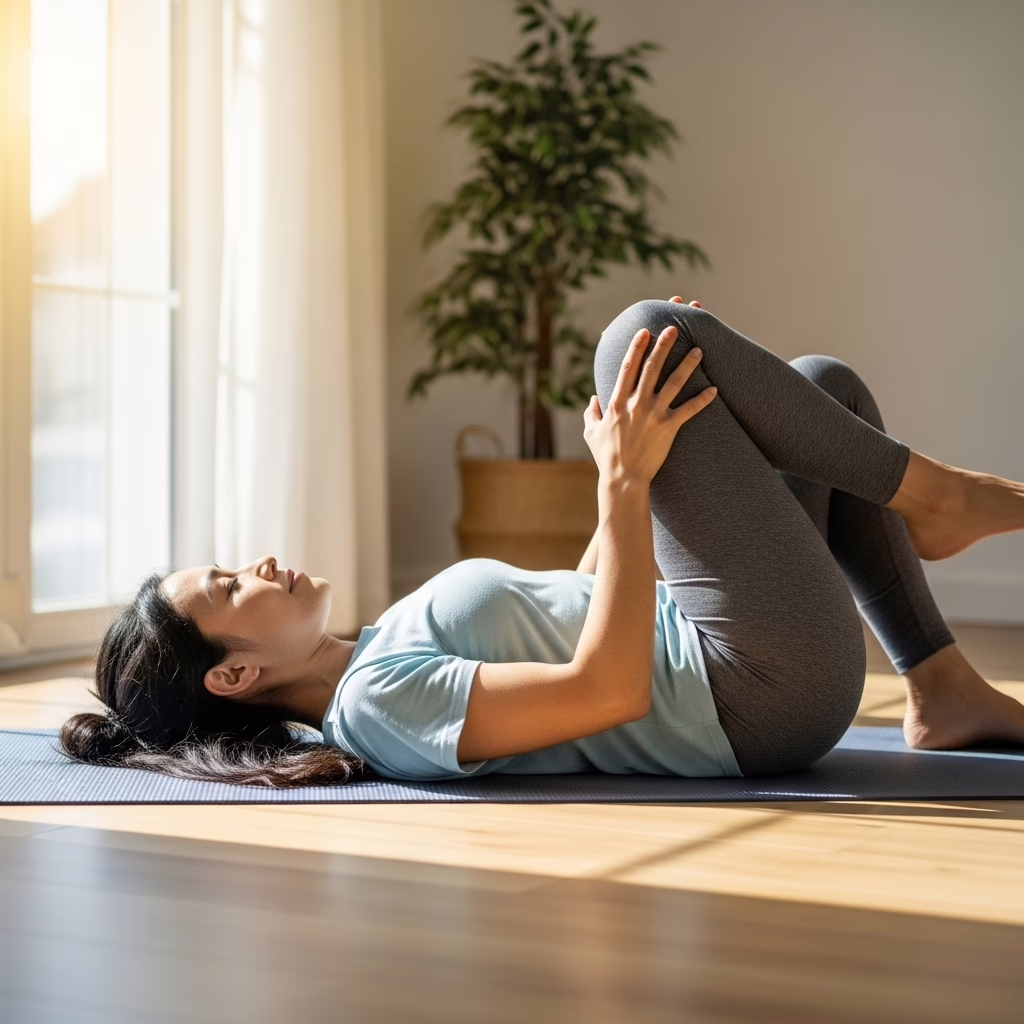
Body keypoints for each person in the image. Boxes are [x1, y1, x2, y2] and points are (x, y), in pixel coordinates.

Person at [61, 297, 1024, 787]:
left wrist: (657, 425)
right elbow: (609, 690)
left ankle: (940, 687)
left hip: (717, 644)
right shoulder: (376, 709)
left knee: (815, 384)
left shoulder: (382, 641)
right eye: (230, 587)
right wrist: (626, 483)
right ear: (230, 678)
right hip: (756, 692)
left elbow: (581, 604)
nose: (258, 563)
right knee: (641, 332)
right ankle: (944, 499)